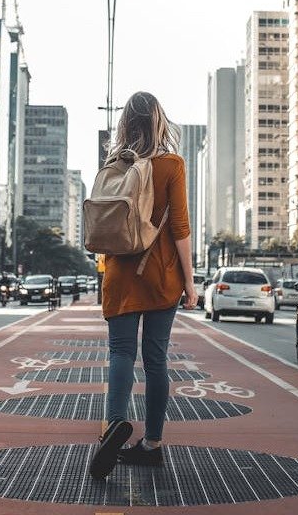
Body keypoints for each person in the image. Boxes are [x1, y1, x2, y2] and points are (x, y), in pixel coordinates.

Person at [88, 91, 197, 480]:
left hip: (120, 275)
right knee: (156, 361)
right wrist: (190, 281)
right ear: (159, 121)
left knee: (120, 354)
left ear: (125, 125)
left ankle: (114, 425)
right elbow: (181, 228)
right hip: (161, 276)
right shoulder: (172, 165)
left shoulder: (114, 165)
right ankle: (151, 444)